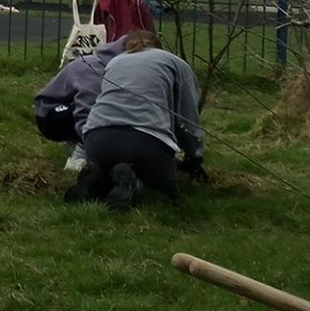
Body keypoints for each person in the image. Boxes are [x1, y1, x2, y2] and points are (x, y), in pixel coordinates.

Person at [64, 30, 207, 211]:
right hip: (145, 139)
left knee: (110, 175)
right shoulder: (174, 62)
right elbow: (187, 118)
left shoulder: (114, 62)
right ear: (158, 45)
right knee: (165, 195)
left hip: (97, 137)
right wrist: (194, 157)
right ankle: (135, 185)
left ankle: (96, 182)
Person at [33, 35, 129, 173]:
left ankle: (75, 140)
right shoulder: (95, 70)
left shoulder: (107, 65)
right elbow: (86, 109)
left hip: (66, 106)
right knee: (99, 110)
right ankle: (77, 155)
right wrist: (90, 141)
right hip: (50, 114)